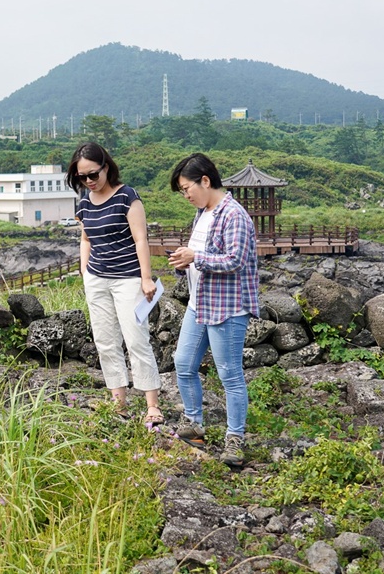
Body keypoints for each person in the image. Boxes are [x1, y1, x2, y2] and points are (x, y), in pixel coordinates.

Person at [166, 152, 259, 467]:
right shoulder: (202, 213)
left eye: (186, 188)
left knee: (230, 374)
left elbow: (235, 260)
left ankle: (235, 439)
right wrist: (184, 262)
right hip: (199, 302)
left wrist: (195, 258)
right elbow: (200, 255)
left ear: (205, 181)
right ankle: (194, 423)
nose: (186, 195)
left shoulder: (235, 215)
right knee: (183, 362)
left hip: (228, 307)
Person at [68, 142, 164, 425]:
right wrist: (85, 272)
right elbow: (85, 238)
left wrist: (146, 278)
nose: (89, 182)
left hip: (128, 279)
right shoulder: (85, 202)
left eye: (93, 175)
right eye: (81, 177)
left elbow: (141, 240)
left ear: (106, 167)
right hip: (97, 279)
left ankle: (152, 405)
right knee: (105, 342)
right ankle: (118, 402)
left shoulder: (127, 197)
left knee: (136, 340)